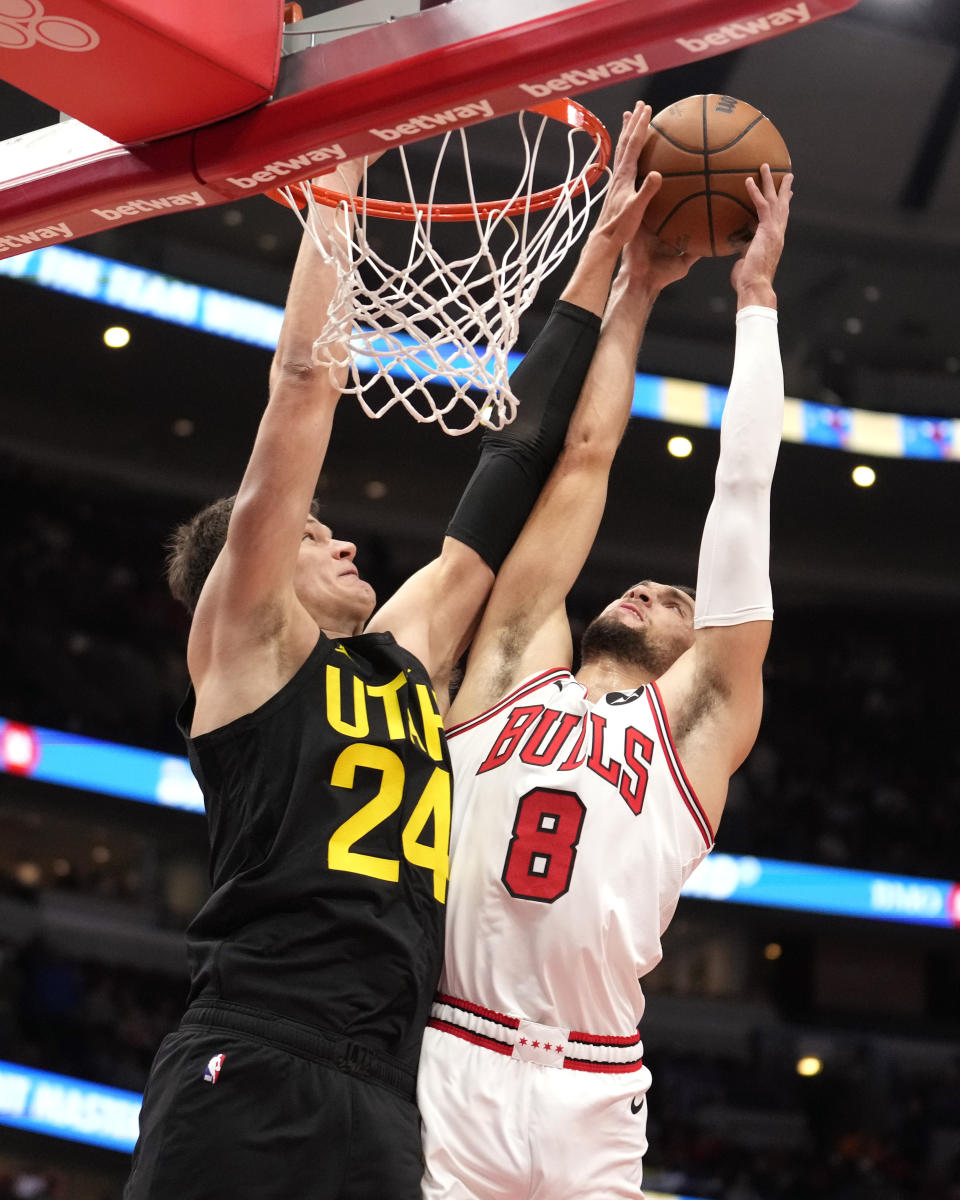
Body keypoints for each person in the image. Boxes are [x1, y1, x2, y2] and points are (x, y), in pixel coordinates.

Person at [124, 105, 673, 1200]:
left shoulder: (398, 653)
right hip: (258, 1045)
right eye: (311, 533)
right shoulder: (245, 648)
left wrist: (600, 260)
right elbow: (303, 387)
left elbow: (513, 460)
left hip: (387, 1084)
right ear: (257, 563)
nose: (337, 536)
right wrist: (344, 180)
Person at [417, 162, 793, 1199]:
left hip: (596, 1081)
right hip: (455, 1054)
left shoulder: (698, 724)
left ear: (699, 646)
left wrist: (755, 306)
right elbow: (583, 455)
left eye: (679, 600)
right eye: (648, 585)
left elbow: (743, 497)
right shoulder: (507, 672)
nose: (649, 589)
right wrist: (634, 293)